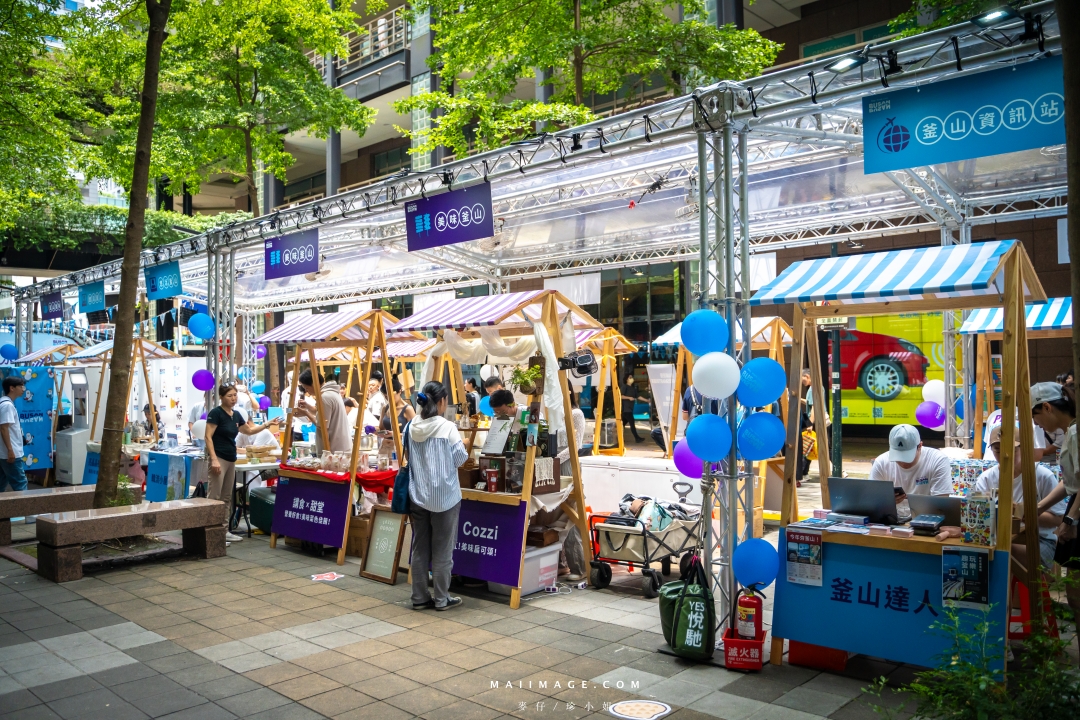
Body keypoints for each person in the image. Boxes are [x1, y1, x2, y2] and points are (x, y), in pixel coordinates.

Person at [406, 381, 468, 611]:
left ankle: (419, 598)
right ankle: (442, 599)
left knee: (420, 548)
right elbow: (460, 460)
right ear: (442, 401)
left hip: (418, 495)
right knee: (443, 551)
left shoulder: (411, 426)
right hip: (445, 498)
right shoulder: (447, 427)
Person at [975, 423, 1065, 572]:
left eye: (1012, 449)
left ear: (1023, 448)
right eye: (997, 450)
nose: (1004, 454)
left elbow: (1058, 519)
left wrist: (1019, 510)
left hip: (1040, 541)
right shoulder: (986, 478)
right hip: (996, 539)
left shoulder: (1042, 476)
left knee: (1001, 553)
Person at [205, 384, 280, 542]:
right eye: (229, 396)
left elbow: (249, 430)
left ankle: (224, 530)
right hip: (219, 458)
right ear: (221, 397)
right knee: (215, 497)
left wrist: (267, 424)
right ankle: (211, 533)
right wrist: (213, 459)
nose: (233, 398)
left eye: (234, 395)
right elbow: (208, 437)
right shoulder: (216, 413)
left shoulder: (236, 414)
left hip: (231, 458)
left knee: (226, 497)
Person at [1030, 381, 1080, 618]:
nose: (1036, 423)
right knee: (1073, 590)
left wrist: (1070, 520)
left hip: (1077, 512)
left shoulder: (1075, 432)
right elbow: (1071, 481)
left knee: (1075, 592)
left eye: (1035, 416)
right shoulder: (1070, 432)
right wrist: (1038, 507)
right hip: (1075, 508)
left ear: (1047, 407)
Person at [869, 424, 951, 520]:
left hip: (926, 521)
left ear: (920, 446)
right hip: (890, 520)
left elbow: (941, 505)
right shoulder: (881, 462)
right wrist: (885, 502)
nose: (903, 462)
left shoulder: (938, 460)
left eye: (907, 457)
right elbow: (870, 501)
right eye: (898, 456)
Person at [294, 370, 352, 453]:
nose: (307, 391)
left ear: (314, 383)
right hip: (340, 446)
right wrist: (307, 406)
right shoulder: (332, 393)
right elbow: (322, 413)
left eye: (307, 388)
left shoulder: (324, 396)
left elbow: (322, 426)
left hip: (333, 449)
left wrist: (306, 413)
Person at [0, 376, 27, 492]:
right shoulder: (7, 405)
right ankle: (27, 509)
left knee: (1, 482)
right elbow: (4, 428)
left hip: (4, 453)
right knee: (20, 483)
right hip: (10, 453)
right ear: (12, 388)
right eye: (21, 386)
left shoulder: (4, 403)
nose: (23, 389)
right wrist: (10, 450)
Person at [557, 385, 588, 462]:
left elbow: (576, 445)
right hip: (551, 462)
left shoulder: (576, 414)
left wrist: (555, 461)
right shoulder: (554, 414)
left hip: (566, 462)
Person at [620, 374, 644, 443]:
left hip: (629, 409)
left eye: (632, 377)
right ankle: (637, 438)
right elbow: (620, 396)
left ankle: (619, 438)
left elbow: (638, 396)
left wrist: (647, 400)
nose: (631, 378)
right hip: (626, 409)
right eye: (630, 377)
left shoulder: (632, 388)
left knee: (622, 425)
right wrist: (629, 398)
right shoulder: (624, 387)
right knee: (632, 423)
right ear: (626, 379)